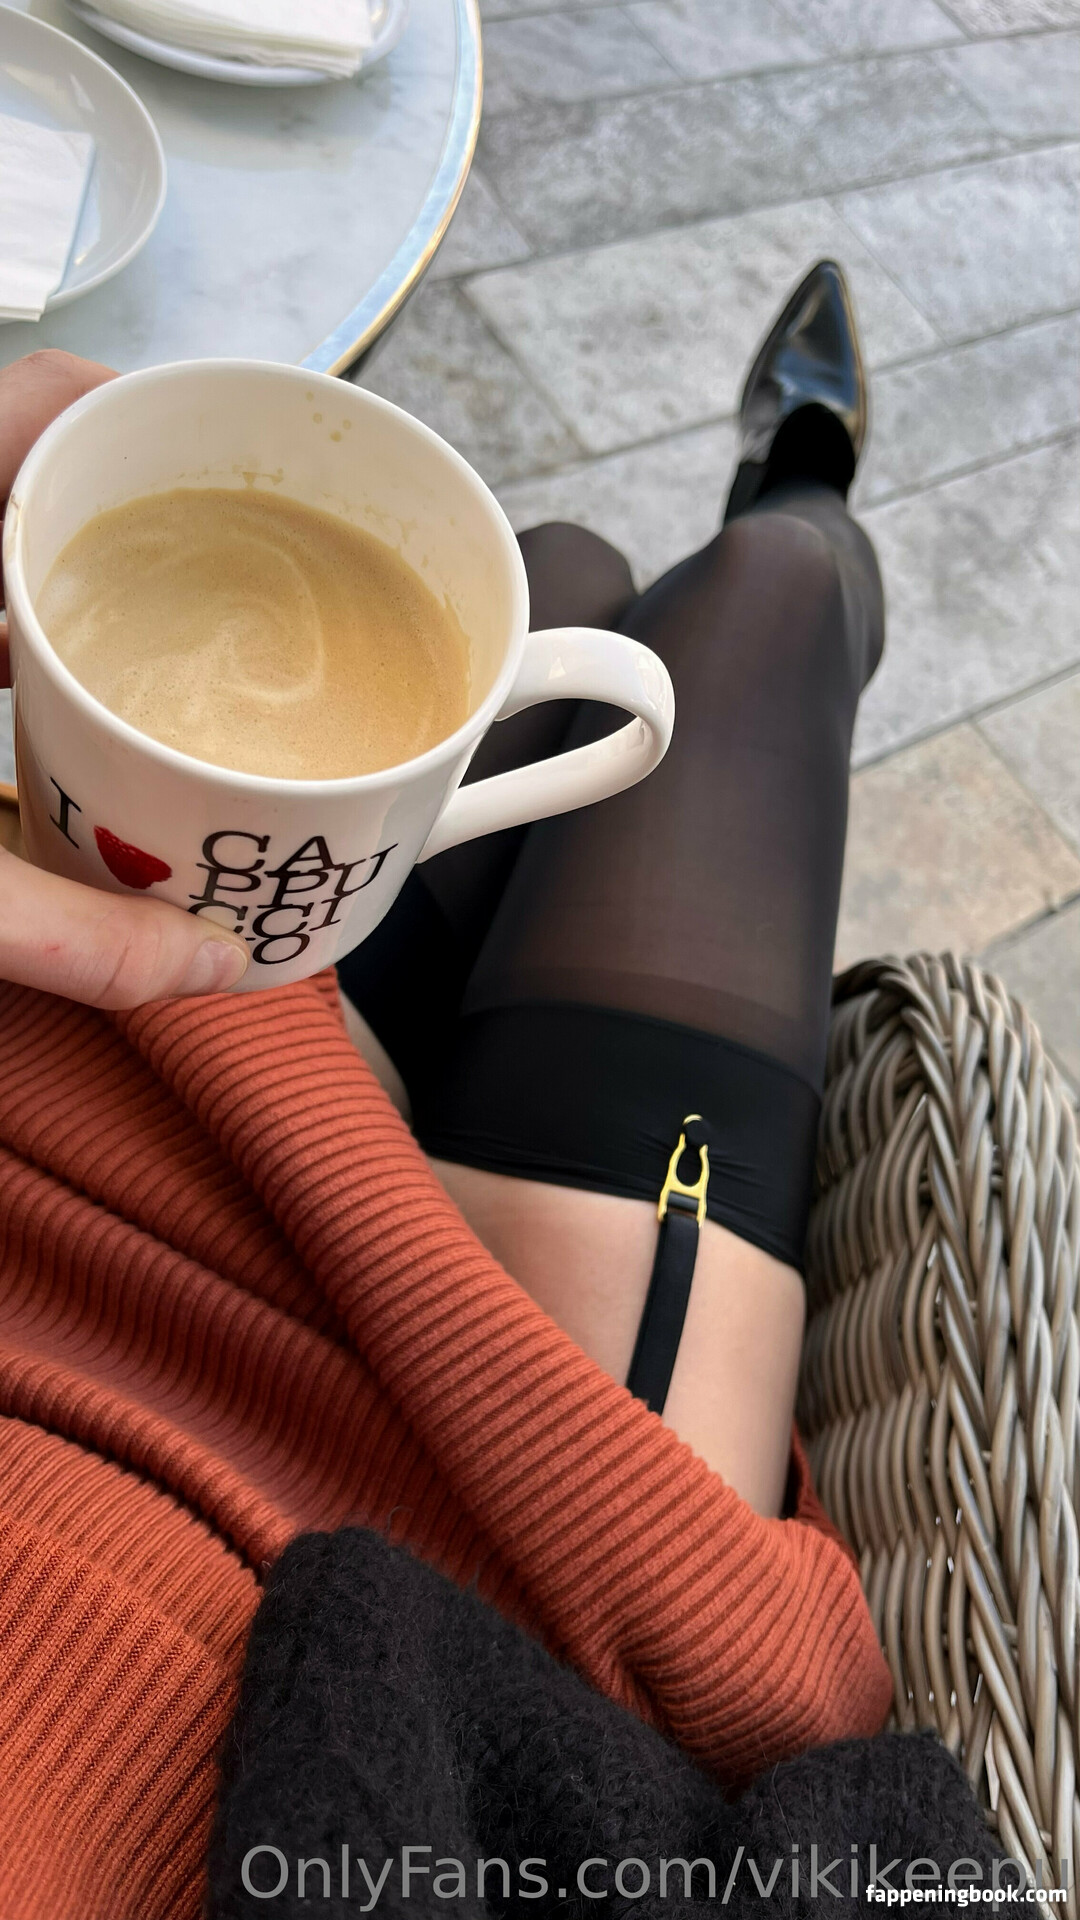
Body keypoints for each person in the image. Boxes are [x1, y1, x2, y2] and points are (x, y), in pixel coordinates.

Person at [0, 266, 893, 1920]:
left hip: (135, 1101)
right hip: (496, 1522)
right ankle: (805, 482)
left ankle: (772, 506)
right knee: (763, 593)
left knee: (557, 578)